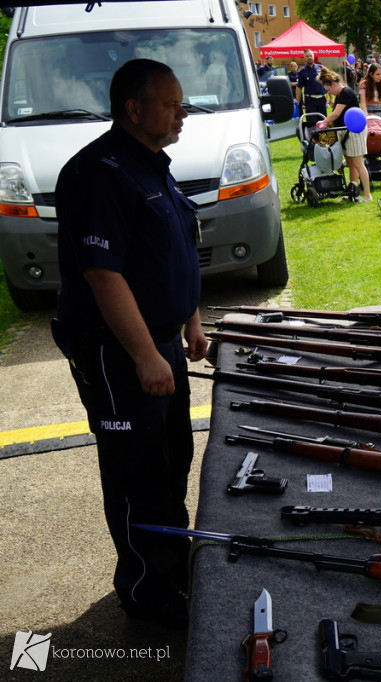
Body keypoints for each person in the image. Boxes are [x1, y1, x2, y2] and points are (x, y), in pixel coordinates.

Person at [50, 58, 207, 628]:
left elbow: (175, 248)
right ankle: (148, 592)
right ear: (133, 109)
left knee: (172, 462)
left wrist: (191, 321)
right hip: (117, 352)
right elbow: (103, 274)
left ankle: (173, 563)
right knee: (137, 471)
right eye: (171, 103)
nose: (182, 111)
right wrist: (143, 354)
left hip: (162, 342)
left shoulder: (153, 166)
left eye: (181, 101)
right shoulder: (99, 173)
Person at [317, 67, 372, 203]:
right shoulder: (340, 95)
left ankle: (367, 195)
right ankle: (352, 192)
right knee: (351, 164)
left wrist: (323, 122)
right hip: (345, 132)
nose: (329, 92)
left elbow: (336, 113)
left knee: (358, 164)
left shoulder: (346, 92)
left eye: (329, 90)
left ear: (334, 84)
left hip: (353, 132)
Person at [296, 49, 326, 120]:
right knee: (311, 122)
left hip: (321, 99)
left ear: (313, 56)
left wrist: (331, 98)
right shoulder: (302, 71)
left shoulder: (321, 68)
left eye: (310, 56)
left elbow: (327, 82)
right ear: (304, 58)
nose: (309, 57)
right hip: (310, 100)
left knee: (323, 121)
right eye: (307, 56)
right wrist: (298, 102)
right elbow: (299, 87)